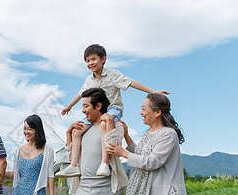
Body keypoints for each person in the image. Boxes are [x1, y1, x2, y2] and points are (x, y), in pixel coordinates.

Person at [57, 43, 169, 178]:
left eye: (93, 59)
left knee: (106, 121)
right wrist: (69, 106)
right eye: (87, 61)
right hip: (94, 112)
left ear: (103, 59)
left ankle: (104, 163)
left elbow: (131, 83)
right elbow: (81, 94)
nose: (90, 63)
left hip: (112, 109)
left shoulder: (113, 75)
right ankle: (74, 165)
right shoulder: (89, 80)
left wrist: (153, 91)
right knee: (77, 130)